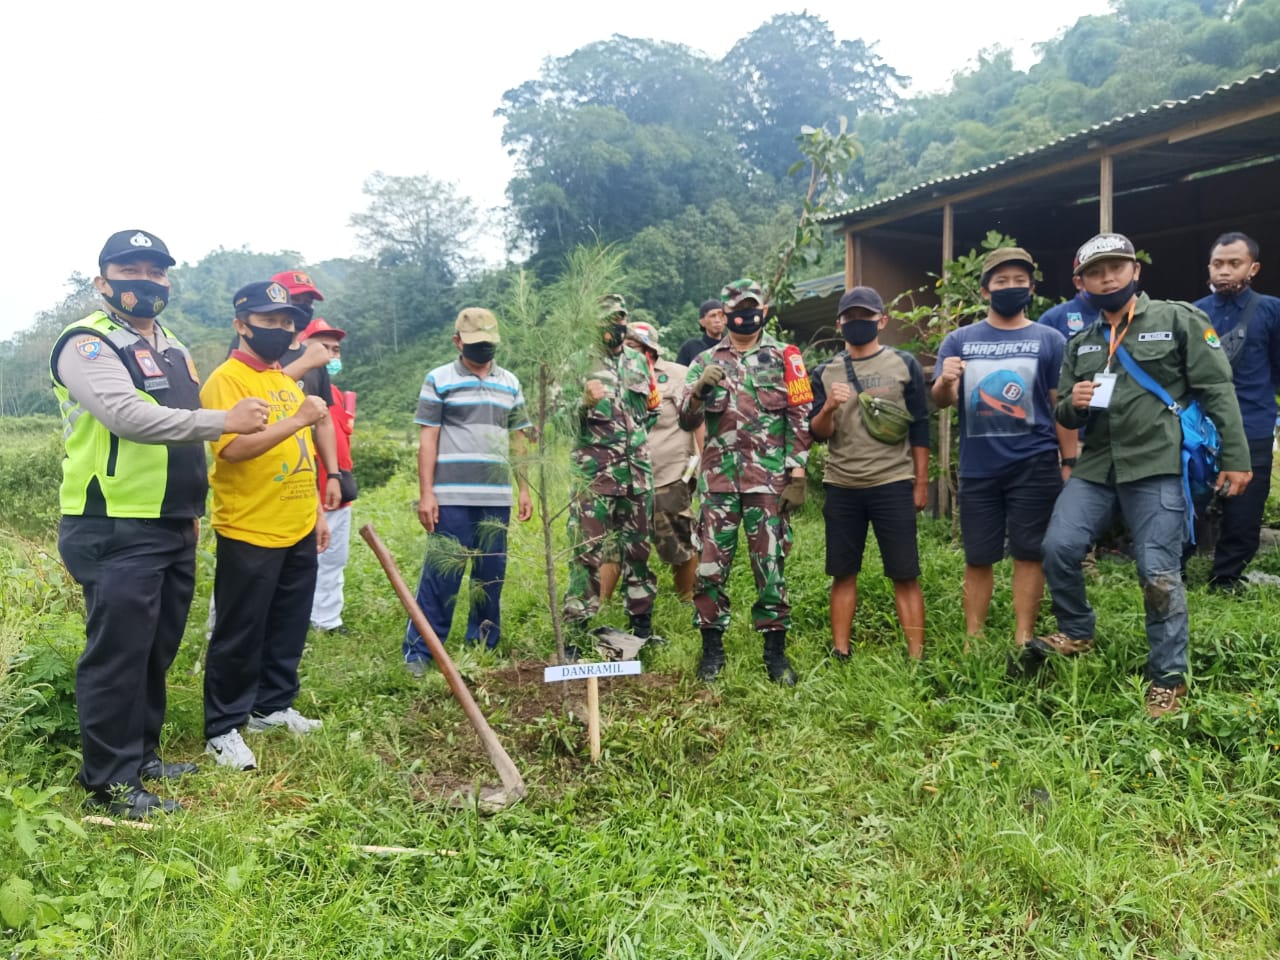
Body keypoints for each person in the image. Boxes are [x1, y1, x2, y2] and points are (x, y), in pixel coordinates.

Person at [51, 229, 269, 818]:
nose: (145, 281)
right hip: (115, 524)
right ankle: (111, 781)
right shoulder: (88, 344)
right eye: (130, 270)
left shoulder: (171, 345)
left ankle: (140, 756)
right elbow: (126, 416)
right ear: (103, 281)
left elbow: (179, 433)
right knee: (118, 653)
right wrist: (226, 419)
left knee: (154, 648)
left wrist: (188, 514)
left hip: (171, 523)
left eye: (156, 271)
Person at [1038, 232, 1252, 718]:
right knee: (1058, 548)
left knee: (1157, 573)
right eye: (1096, 271)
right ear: (1081, 282)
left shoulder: (1177, 319)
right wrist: (1071, 403)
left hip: (1156, 463)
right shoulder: (1082, 342)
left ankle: (1168, 678)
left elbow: (1218, 388)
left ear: (1136, 271)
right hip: (1097, 466)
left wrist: (1238, 458)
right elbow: (1068, 416)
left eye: (1116, 267)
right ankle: (1076, 630)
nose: (1107, 277)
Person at [201, 281, 332, 771]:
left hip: (296, 522)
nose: (281, 330)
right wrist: (299, 419)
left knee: (288, 623)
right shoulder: (226, 381)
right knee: (240, 630)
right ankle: (223, 728)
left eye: (286, 322)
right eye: (268, 321)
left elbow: (299, 454)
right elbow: (230, 450)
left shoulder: (281, 379)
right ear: (241, 324)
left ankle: (271, 707)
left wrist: (317, 511)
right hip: (250, 527)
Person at [932, 247, 1073, 653]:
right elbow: (942, 400)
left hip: (1035, 462)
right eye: (1001, 281)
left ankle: (1024, 634)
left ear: (1030, 287)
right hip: (979, 465)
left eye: (1018, 281)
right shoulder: (959, 339)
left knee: (1029, 553)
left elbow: (1059, 405)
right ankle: (973, 638)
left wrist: (1069, 461)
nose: (1010, 287)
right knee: (978, 555)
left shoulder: (1050, 339)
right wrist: (944, 380)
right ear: (984, 290)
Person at [678, 278, 813, 684]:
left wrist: (798, 472)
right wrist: (700, 392)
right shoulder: (705, 360)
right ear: (725, 312)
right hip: (718, 483)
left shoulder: (786, 356)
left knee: (770, 566)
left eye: (752, 306)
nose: (745, 314)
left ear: (764, 311)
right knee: (709, 568)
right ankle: (712, 650)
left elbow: (800, 415)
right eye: (737, 307)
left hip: (768, 483)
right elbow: (686, 418)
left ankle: (775, 654)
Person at [404, 308, 533, 674]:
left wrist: (524, 489)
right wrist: (427, 494)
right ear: (457, 342)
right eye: (476, 344)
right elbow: (428, 440)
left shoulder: (510, 382)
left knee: (490, 575)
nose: (484, 350)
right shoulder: (439, 380)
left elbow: (519, 439)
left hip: (496, 499)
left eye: (489, 344)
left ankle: (483, 642)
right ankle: (421, 651)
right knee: (442, 574)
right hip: (452, 497)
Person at [809, 286, 930, 661]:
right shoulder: (825, 371)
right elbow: (817, 433)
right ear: (839, 323)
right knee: (843, 573)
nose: (858, 323)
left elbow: (920, 427)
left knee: (905, 573)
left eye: (866, 316)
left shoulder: (903, 364)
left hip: (892, 482)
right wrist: (828, 406)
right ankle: (840, 651)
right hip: (842, 484)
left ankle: (916, 656)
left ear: (883, 320)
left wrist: (921, 482)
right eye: (851, 317)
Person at [563, 295, 661, 649]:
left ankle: (641, 627)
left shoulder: (638, 361)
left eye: (620, 319)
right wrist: (584, 404)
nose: (615, 326)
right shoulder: (576, 364)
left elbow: (650, 411)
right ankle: (575, 633)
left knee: (639, 551)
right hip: (594, 478)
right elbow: (558, 421)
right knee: (586, 553)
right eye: (607, 320)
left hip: (637, 475)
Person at [1192, 231, 1280, 593]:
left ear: (1253, 267)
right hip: (1201, 428)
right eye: (1217, 264)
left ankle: (1225, 578)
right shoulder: (1194, 313)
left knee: (1244, 511)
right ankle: (1173, 569)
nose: (1224, 271)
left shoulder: (1271, 309)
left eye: (1234, 263)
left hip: (1253, 424)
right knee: (1189, 500)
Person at [624, 321, 703, 602]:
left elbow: (697, 420)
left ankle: (687, 600)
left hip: (668, 474)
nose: (628, 352)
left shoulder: (678, 376)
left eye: (634, 347)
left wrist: (701, 465)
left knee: (678, 543)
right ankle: (613, 605)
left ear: (650, 350)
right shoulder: (614, 377)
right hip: (625, 478)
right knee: (620, 547)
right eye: (625, 346)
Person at [297, 317, 358, 633]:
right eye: (323, 348)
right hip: (304, 492)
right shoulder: (293, 390)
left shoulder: (333, 393)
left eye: (336, 349)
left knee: (334, 559)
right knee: (300, 563)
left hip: (337, 490)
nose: (331, 356)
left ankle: (327, 619)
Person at [1038, 262, 1098, 341]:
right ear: (1078, 282)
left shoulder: (1118, 314)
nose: (1107, 278)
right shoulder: (1053, 318)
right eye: (1095, 273)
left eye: (1115, 268)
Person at [675, 299, 728, 366]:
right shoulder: (691, 347)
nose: (717, 320)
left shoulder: (732, 347)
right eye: (712, 316)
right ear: (702, 322)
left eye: (721, 316)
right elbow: (679, 372)